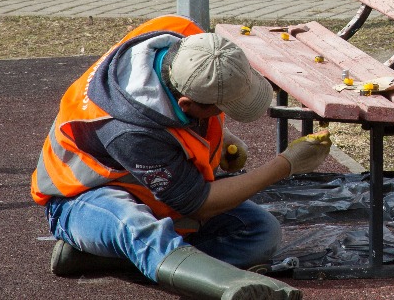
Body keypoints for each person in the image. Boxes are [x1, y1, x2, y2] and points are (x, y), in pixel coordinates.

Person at [31, 15, 332, 300]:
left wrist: (221, 141)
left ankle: (108, 258)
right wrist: (286, 165)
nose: (225, 113)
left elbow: (189, 108)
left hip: (149, 187)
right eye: (220, 108)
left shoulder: (187, 38)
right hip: (80, 200)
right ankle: (231, 285)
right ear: (188, 104)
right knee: (134, 226)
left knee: (260, 233)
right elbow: (197, 203)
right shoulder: (129, 131)